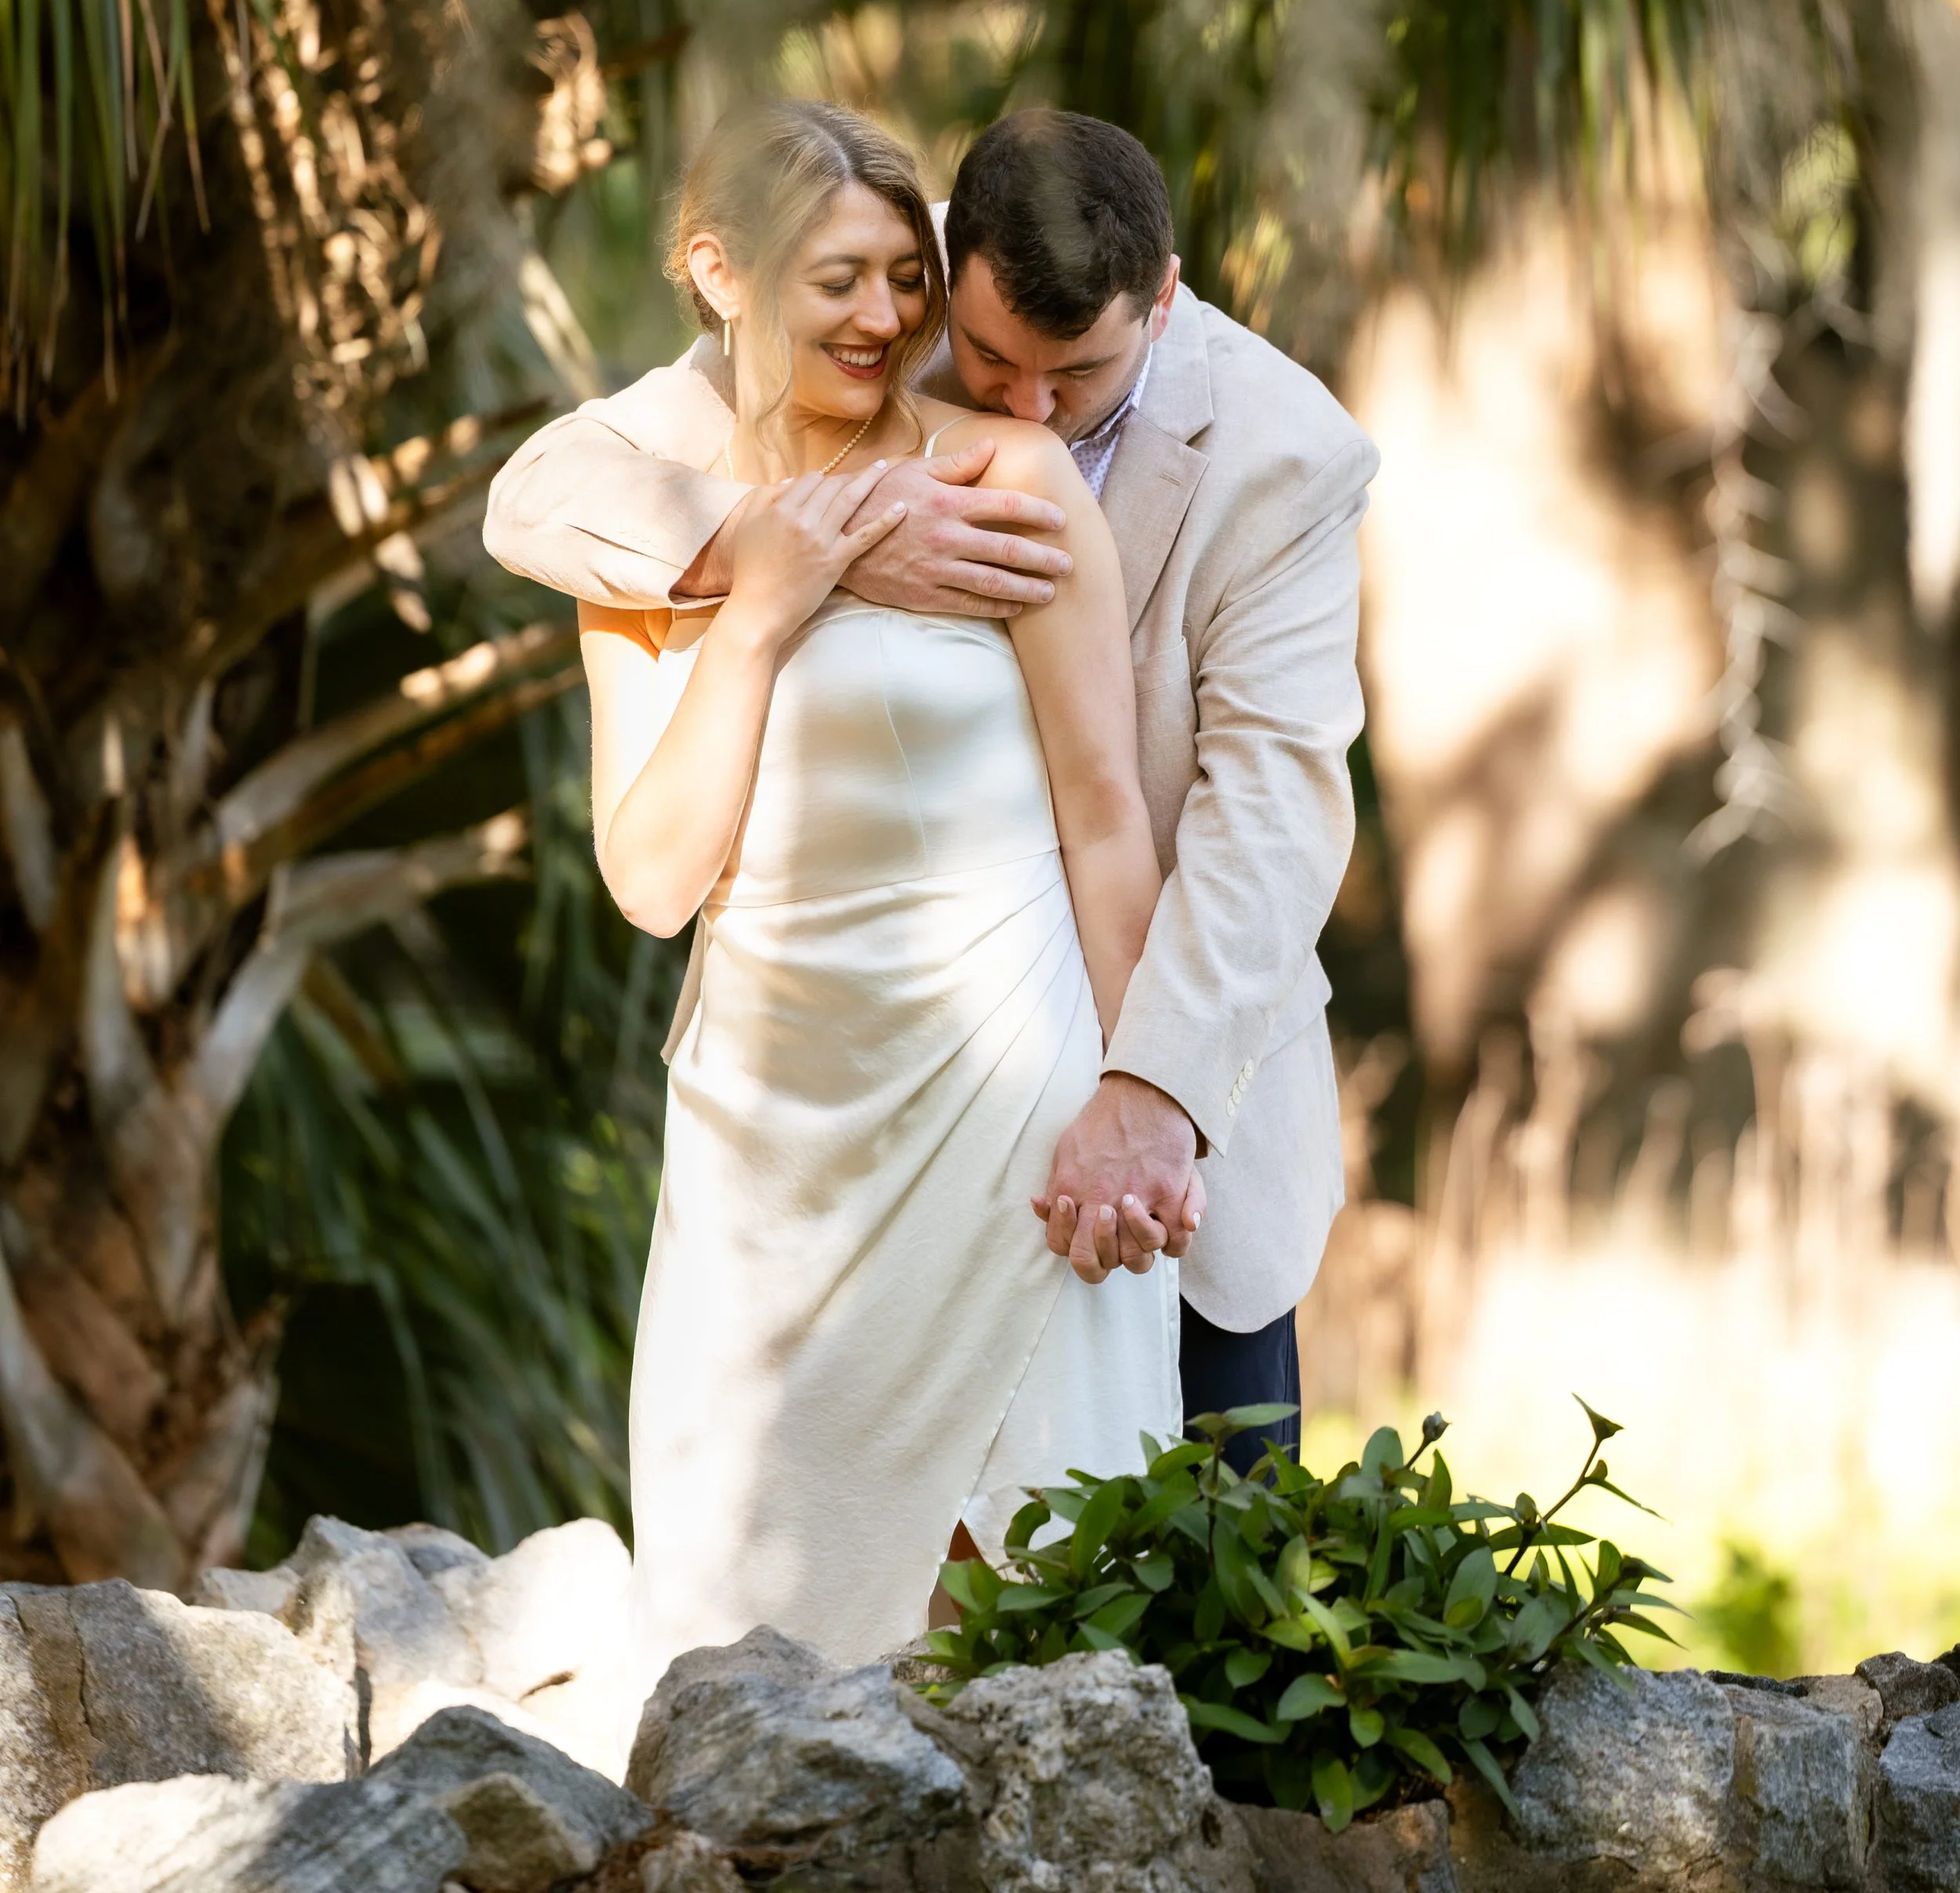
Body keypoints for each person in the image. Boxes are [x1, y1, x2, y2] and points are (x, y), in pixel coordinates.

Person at [487, 104, 1377, 1473]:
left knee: (1198, 1580)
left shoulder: (1286, 453)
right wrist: (813, 544)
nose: (1022, 408)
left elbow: (1268, 817)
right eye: (989, 357)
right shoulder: (868, 310)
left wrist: (1151, 1094)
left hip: (1172, 1084)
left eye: (1075, 376)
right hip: (830, 1104)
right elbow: (539, 493)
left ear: (1167, 298)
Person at [572, 102, 1180, 1692]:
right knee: (740, 1650)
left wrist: (1143, 1094)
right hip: (769, 1140)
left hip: (1000, 1119)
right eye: (837, 279)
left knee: (1029, 1648)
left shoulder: (1010, 474)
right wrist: (764, 611)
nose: (885, 319)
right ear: (723, 276)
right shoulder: (650, 536)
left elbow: (1106, 823)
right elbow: (648, 881)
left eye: (904, 278)